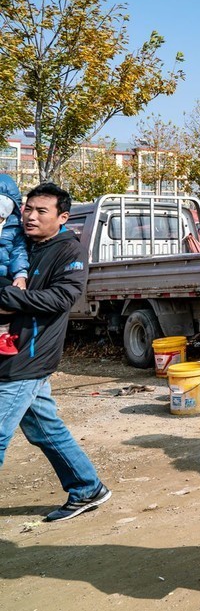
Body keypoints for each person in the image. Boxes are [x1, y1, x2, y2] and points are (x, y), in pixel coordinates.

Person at [0, 183, 110, 523]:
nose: (30, 216)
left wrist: (8, 298)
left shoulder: (69, 251)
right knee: (44, 428)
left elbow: (61, 300)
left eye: (40, 211)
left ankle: (87, 487)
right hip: (11, 352)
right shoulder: (23, 245)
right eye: (28, 209)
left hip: (30, 357)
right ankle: (88, 487)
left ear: (62, 217)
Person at [0, 174, 30, 348]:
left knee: (12, 297)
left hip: (4, 274)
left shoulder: (14, 227)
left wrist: (20, 274)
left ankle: (3, 335)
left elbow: (18, 252)